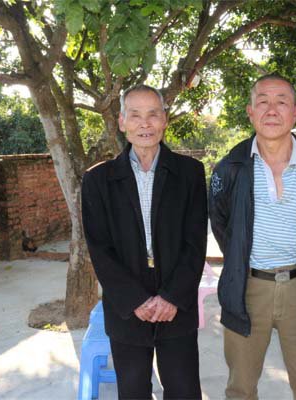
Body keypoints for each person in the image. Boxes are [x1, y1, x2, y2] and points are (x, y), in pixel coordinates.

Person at [209, 73, 296, 400]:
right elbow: (221, 222)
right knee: (240, 389)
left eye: (281, 101)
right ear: (250, 112)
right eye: (262, 101)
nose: (272, 109)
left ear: (295, 112)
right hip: (248, 287)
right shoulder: (230, 168)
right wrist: (240, 260)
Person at [81, 85, 207, 400]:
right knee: (133, 391)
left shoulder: (190, 173)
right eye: (135, 115)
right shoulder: (98, 180)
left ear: (165, 119)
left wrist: (172, 297)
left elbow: (195, 242)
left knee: (184, 390)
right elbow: (100, 249)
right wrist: (134, 299)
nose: (145, 123)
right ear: (122, 122)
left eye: (153, 114)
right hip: (127, 305)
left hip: (176, 302)